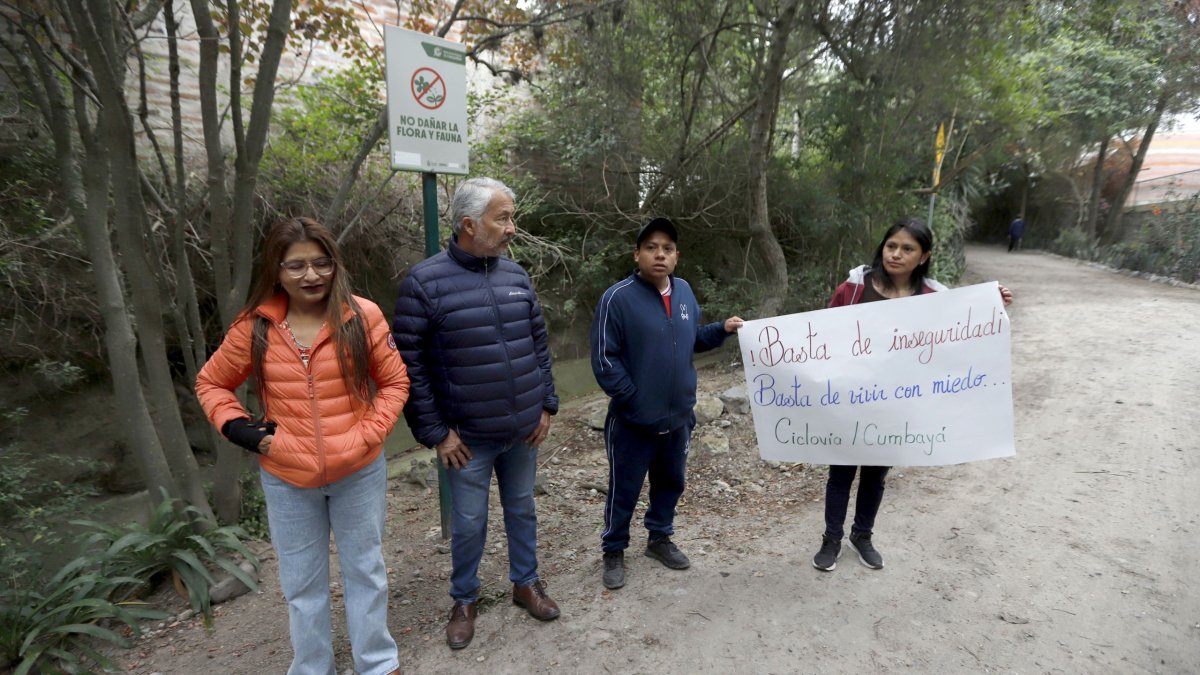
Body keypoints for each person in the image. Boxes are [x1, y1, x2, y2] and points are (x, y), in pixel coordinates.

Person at [195, 217, 408, 675]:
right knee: (301, 584)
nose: (310, 276)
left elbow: (394, 382)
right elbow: (212, 383)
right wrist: (242, 431)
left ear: (335, 265)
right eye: (296, 266)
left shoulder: (362, 315)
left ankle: (376, 662)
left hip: (359, 469)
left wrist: (368, 434)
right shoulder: (255, 327)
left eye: (320, 263)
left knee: (365, 572)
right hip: (287, 477)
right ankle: (313, 668)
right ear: (276, 269)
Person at [392, 176, 560, 650]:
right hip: (467, 439)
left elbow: (539, 345)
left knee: (522, 509)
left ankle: (525, 583)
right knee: (468, 523)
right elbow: (409, 366)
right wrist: (436, 433)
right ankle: (464, 599)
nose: (512, 228)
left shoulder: (516, 276)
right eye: (502, 218)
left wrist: (546, 404)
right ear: (469, 224)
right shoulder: (424, 283)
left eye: (512, 217)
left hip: (523, 429)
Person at [815, 218, 1013, 572]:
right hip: (851, 401)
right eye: (892, 246)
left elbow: (964, 331)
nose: (896, 254)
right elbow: (823, 334)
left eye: (908, 249)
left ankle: (862, 535)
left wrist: (991, 306)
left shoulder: (934, 298)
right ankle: (831, 539)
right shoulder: (854, 288)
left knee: (875, 476)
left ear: (924, 257)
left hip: (896, 406)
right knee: (840, 474)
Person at [590, 217, 744, 590]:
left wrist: (722, 329)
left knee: (671, 482)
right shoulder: (617, 298)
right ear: (637, 254)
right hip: (632, 422)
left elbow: (692, 339)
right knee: (624, 488)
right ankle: (614, 549)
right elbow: (604, 359)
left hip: (678, 417)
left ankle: (659, 538)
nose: (660, 254)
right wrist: (633, 399)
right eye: (651, 247)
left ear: (676, 256)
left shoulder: (685, 291)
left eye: (667, 248)